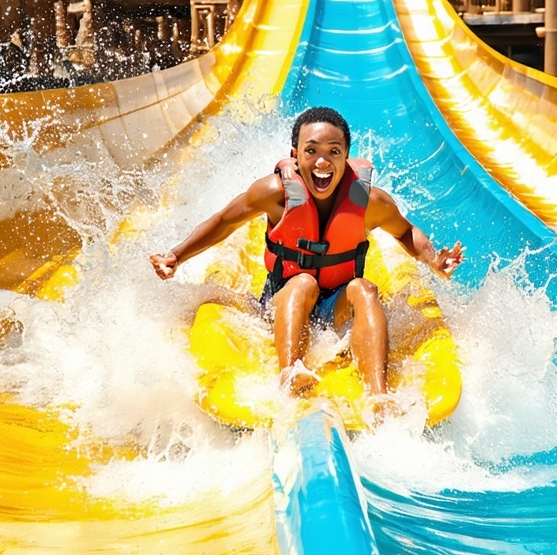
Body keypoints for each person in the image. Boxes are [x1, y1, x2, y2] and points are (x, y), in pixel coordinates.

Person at [149, 107, 465, 396]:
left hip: (337, 305)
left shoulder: (368, 202)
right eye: (311, 151)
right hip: (283, 301)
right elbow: (224, 222)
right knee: (303, 282)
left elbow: (406, 231)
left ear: (346, 156)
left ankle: (378, 395)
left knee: (365, 288)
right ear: (295, 154)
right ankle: (291, 371)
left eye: (334, 152)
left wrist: (433, 259)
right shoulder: (274, 194)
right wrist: (176, 256)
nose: (322, 162)